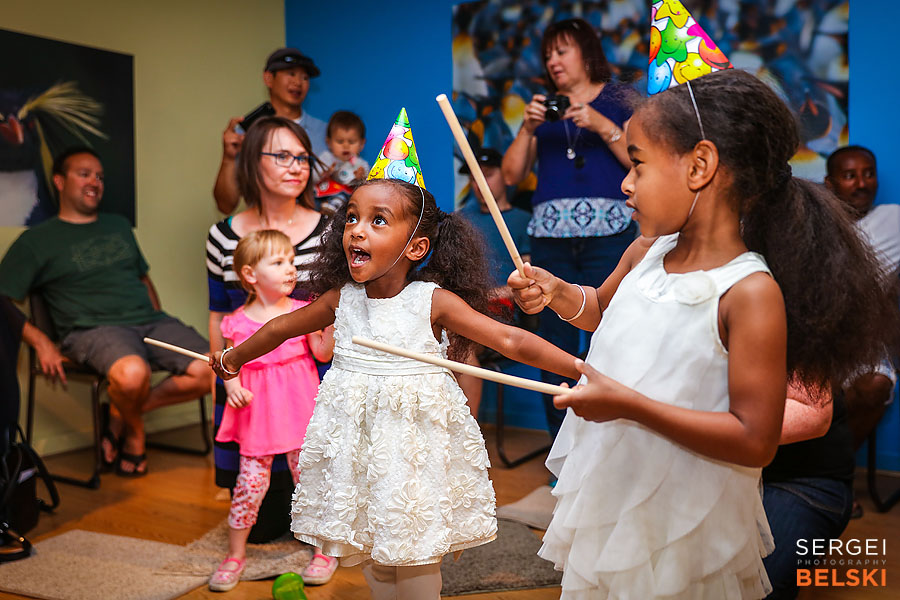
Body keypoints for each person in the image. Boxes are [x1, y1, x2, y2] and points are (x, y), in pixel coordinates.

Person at [508, 69, 898, 598]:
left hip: (708, 495)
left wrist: (629, 405)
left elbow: (757, 436)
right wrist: (557, 291)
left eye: (637, 163)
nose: (624, 183)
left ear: (700, 166)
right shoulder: (646, 251)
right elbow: (600, 308)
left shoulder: (752, 288)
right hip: (634, 477)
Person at [211, 176, 580, 600]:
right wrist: (233, 358)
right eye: (352, 217)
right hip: (359, 449)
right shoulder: (342, 299)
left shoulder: (432, 301)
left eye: (378, 220)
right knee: (375, 555)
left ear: (416, 247)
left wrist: (581, 368)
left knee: (416, 556)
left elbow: (510, 340)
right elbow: (279, 328)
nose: (357, 229)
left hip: (413, 451)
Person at [0, 147, 210, 476]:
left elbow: (142, 278)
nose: (95, 182)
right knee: (132, 374)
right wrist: (41, 342)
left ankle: (117, 415)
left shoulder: (118, 225)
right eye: (84, 174)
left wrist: (157, 316)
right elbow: (2, 299)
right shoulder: (36, 240)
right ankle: (135, 437)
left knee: (214, 369)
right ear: (59, 181)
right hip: (92, 330)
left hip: (149, 323)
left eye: (99, 176)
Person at [501, 18, 637, 442]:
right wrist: (527, 128)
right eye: (548, 55)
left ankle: (610, 439)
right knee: (552, 343)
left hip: (612, 237)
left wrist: (600, 123)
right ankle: (562, 443)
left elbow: (641, 161)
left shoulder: (618, 99)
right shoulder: (543, 108)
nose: (553, 61)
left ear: (586, 51)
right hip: (550, 240)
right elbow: (511, 175)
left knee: (613, 333)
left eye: (562, 51)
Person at [206, 117, 326, 541]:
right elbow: (218, 314)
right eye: (282, 156)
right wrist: (222, 377)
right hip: (253, 388)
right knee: (261, 524)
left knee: (314, 494)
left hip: (307, 384)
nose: (297, 167)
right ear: (252, 161)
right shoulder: (222, 237)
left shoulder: (331, 229)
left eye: (303, 158)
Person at [209, 230, 334, 592]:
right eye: (279, 262)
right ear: (250, 274)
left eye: (291, 261)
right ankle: (235, 555)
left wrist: (330, 323)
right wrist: (232, 387)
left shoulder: (302, 312)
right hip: (259, 417)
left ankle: (324, 551)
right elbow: (230, 365)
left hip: (299, 410)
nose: (290, 269)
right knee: (249, 486)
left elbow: (322, 353)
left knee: (309, 482)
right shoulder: (236, 322)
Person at [825, 145, 899, 466]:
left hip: (864, 338)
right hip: (815, 336)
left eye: (869, 174)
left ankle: (834, 469)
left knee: (875, 386)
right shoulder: (815, 224)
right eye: (850, 176)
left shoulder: (894, 219)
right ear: (830, 183)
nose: (862, 183)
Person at [456, 147, 531, 417]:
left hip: (500, 311)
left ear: (506, 176)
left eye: (487, 175)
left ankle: (467, 435)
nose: (479, 184)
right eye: (474, 178)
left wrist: (492, 294)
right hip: (461, 308)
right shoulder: (460, 220)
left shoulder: (523, 221)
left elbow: (529, 279)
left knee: (460, 348)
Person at [762, 383, 855, 599]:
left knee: (760, 585)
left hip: (802, 481)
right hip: (735, 476)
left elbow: (815, 415)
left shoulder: (806, 364)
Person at [213, 48, 327, 214]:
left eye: (305, 77)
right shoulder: (245, 134)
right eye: (291, 74)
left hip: (317, 226)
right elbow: (225, 206)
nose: (298, 82)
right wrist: (228, 158)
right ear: (268, 78)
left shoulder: (326, 132)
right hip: (263, 226)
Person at [314, 111, 370, 213]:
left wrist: (361, 177)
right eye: (340, 141)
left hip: (346, 202)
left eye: (351, 142)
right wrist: (323, 173)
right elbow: (312, 177)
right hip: (322, 196)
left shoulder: (360, 164)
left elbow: (368, 185)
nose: (346, 146)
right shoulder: (325, 158)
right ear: (329, 142)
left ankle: (335, 205)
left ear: (362, 144)